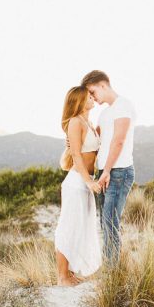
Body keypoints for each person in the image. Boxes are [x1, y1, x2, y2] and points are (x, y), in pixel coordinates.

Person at [82, 69, 136, 264]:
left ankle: (113, 274)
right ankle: (110, 266)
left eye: (93, 92)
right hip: (105, 172)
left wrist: (106, 171)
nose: (93, 98)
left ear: (102, 85)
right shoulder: (105, 113)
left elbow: (118, 142)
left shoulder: (123, 105)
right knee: (105, 223)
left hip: (118, 172)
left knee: (110, 222)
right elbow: (98, 139)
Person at [54, 85, 103, 285]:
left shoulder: (88, 122)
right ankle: (62, 276)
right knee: (68, 226)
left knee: (81, 227)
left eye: (92, 96)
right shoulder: (75, 122)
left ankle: (72, 272)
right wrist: (89, 181)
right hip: (77, 182)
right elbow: (76, 155)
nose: (92, 98)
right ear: (80, 100)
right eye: (88, 96)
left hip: (85, 183)